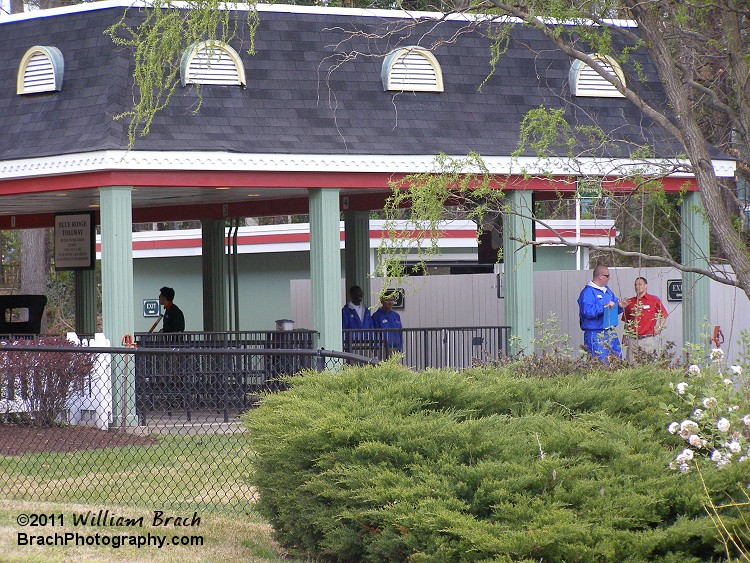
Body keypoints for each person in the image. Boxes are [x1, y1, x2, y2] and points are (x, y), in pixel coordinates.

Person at [577, 265, 625, 362]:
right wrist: (604, 307)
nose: (609, 278)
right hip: (595, 333)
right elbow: (587, 312)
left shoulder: (607, 291)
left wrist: (620, 306)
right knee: (599, 362)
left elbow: (613, 310)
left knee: (617, 360)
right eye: (607, 276)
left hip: (610, 332)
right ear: (600, 276)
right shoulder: (588, 292)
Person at [621, 276, 668, 361]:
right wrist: (624, 337)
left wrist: (659, 328)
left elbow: (663, 315)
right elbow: (627, 321)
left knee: (647, 365)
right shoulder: (630, 302)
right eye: (635, 285)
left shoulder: (653, 300)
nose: (637, 287)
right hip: (633, 340)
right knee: (631, 365)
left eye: (640, 284)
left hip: (647, 339)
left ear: (646, 286)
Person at [371, 291, 403, 355]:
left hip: (395, 348)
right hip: (382, 349)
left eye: (392, 300)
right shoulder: (376, 316)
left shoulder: (396, 315)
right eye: (387, 300)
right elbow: (373, 334)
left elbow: (400, 332)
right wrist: (375, 349)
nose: (390, 302)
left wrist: (400, 347)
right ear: (382, 301)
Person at [342, 285, 373, 351]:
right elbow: (344, 327)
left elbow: (371, 327)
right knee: (353, 361)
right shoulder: (346, 310)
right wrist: (345, 345)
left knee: (368, 361)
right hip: (352, 344)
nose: (360, 296)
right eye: (357, 294)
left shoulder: (366, 310)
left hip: (366, 344)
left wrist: (372, 343)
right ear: (351, 295)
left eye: (361, 294)